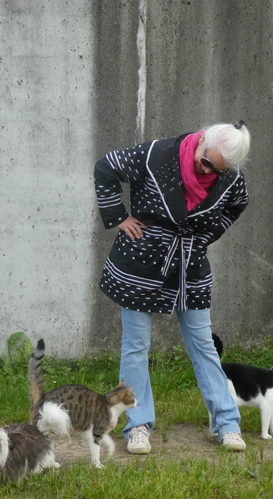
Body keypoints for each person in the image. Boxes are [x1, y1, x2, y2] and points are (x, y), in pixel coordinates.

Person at [94, 122, 251, 453]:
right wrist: (119, 217)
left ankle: (227, 423)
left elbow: (238, 203)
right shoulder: (156, 155)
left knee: (204, 345)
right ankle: (137, 426)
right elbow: (106, 166)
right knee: (136, 345)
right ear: (202, 139)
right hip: (140, 265)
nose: (206, 170)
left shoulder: (230, 178)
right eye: (205, 161)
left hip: (190, 266)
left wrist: (207, 235)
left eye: (216, 169)